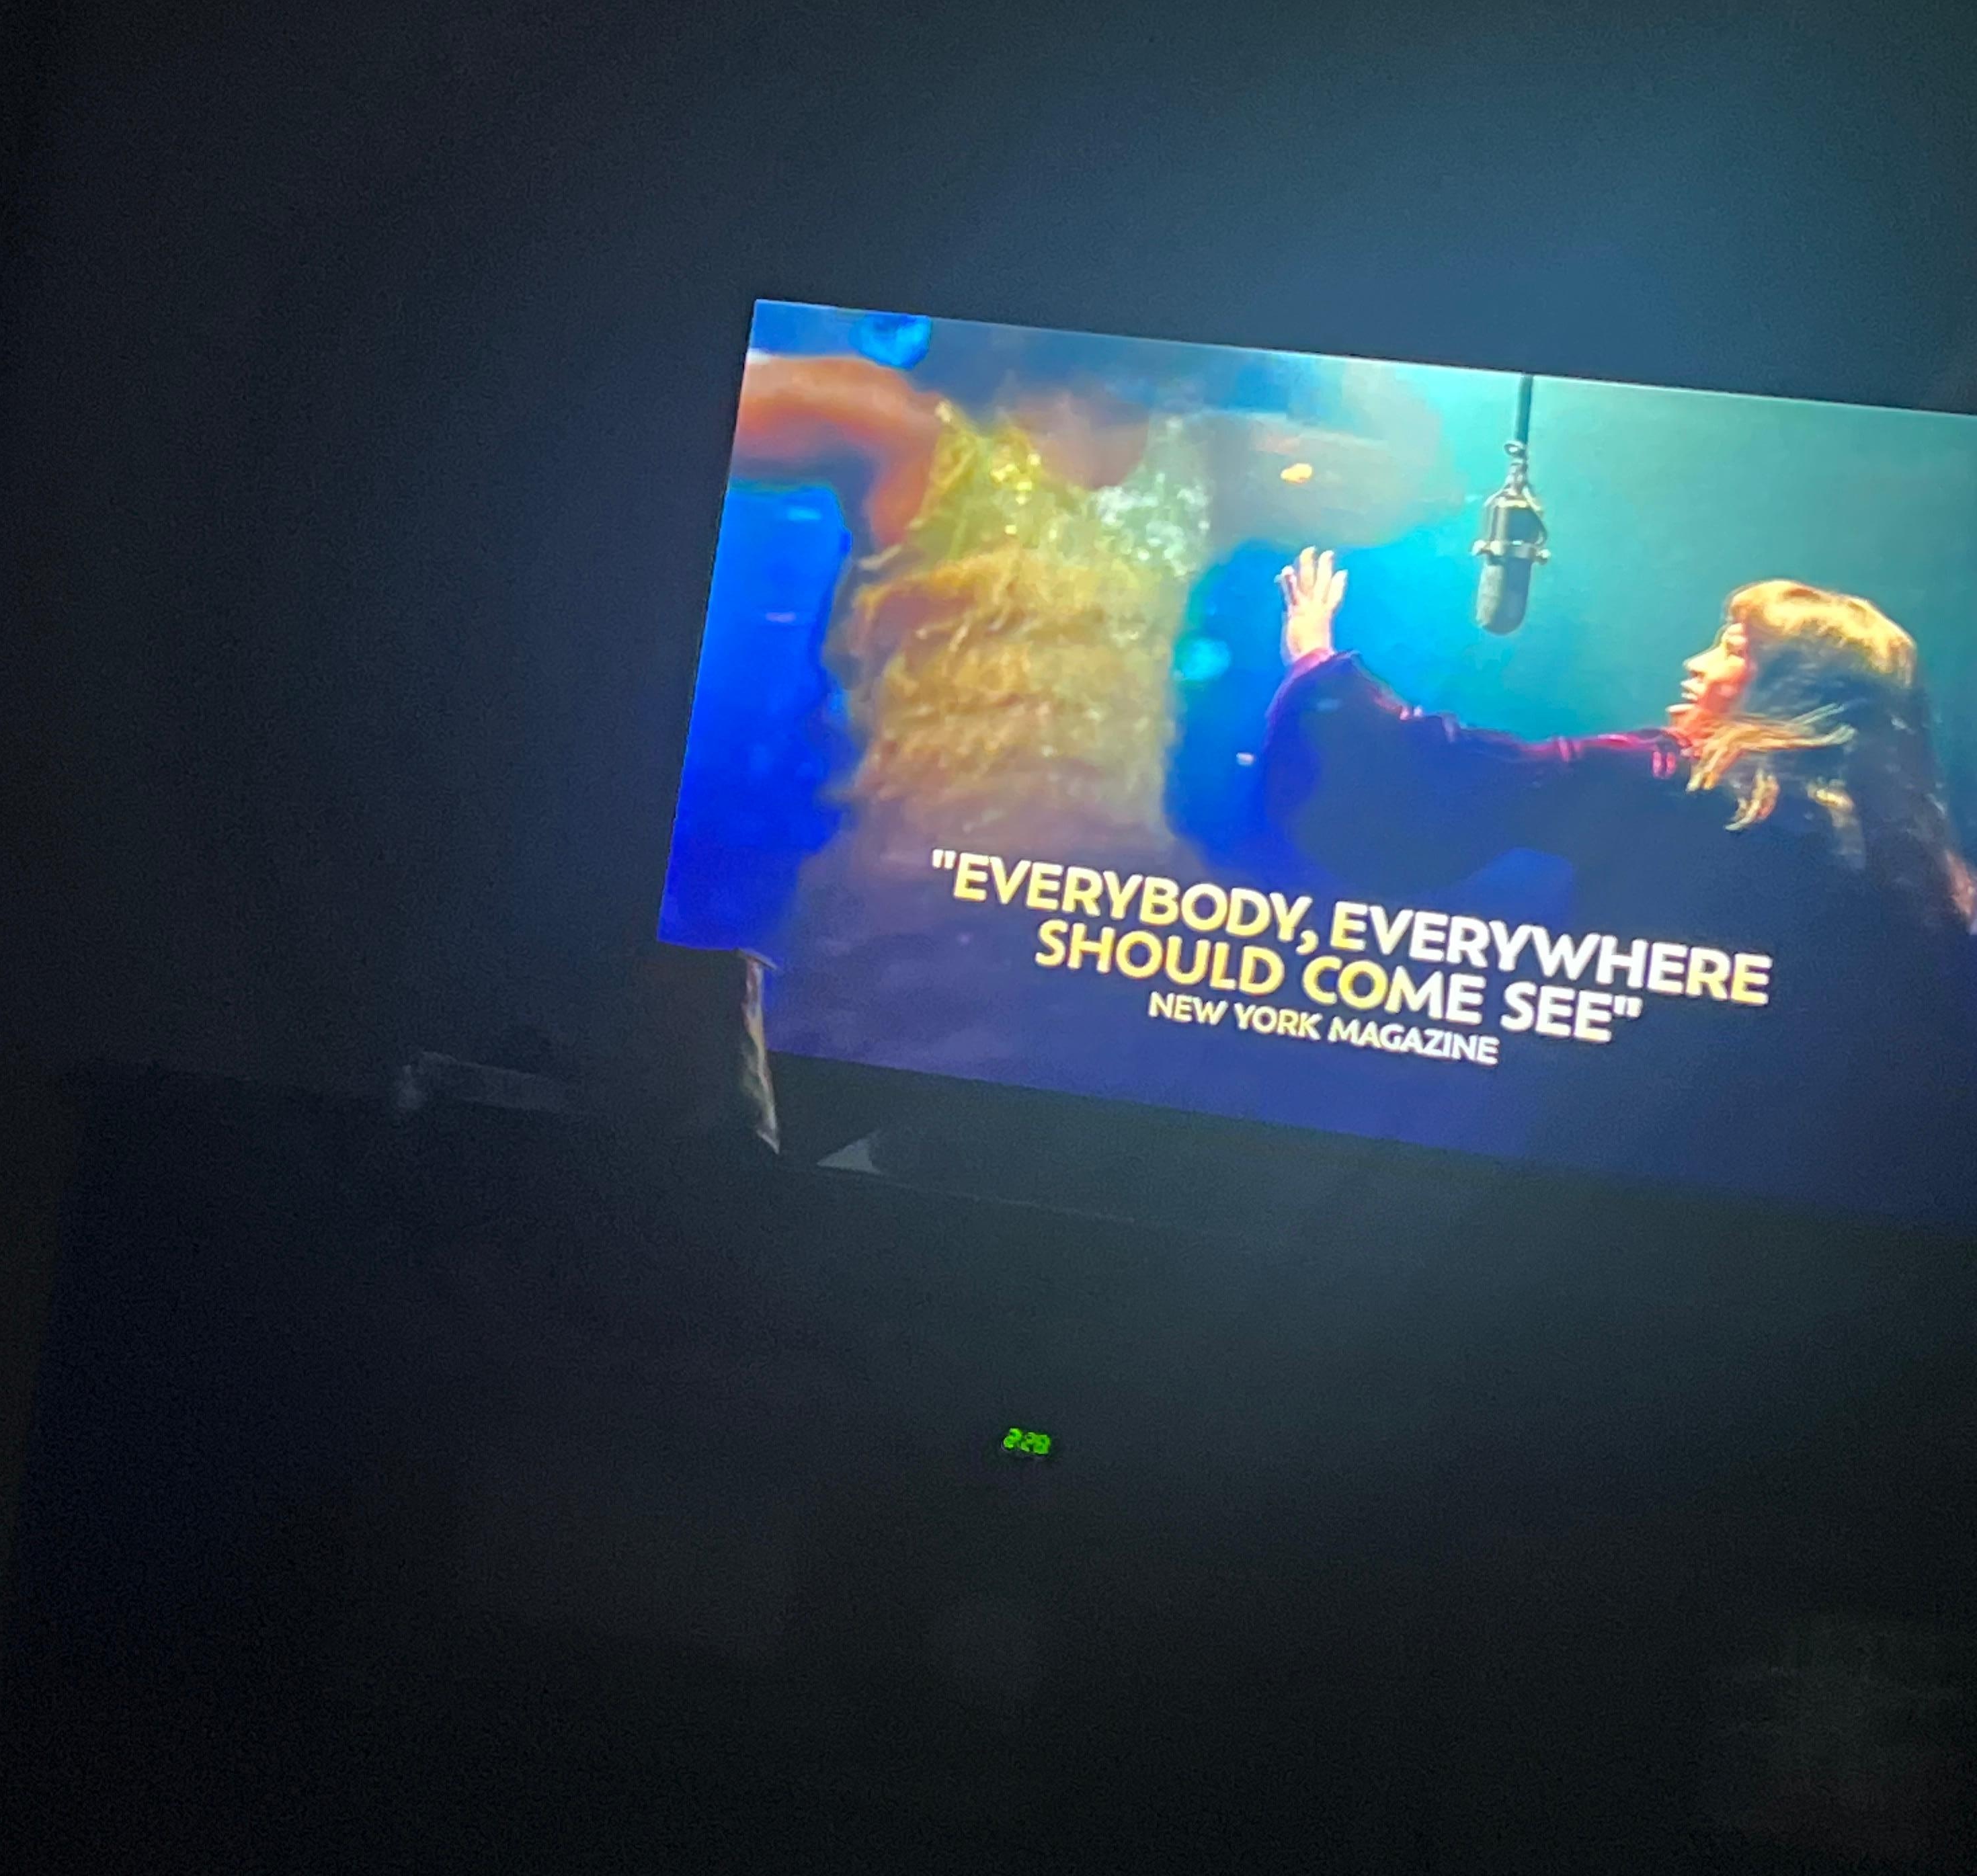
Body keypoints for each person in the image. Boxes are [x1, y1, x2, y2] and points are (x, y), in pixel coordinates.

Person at [729, 338, 1458, 1077]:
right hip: (905, 947)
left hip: (1106, 946)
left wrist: (1315, 334)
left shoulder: (1208, 459)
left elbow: (1417, 484)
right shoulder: (905, 427)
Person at [1263, 548, 1977, 1219]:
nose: (1696, 665)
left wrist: (1319, 668)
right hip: (1812, 1187)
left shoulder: (1666, 782)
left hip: (1618, 1152)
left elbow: (1444, 771)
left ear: (1794, 687)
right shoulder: (1915, 859)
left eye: (1733, 650)